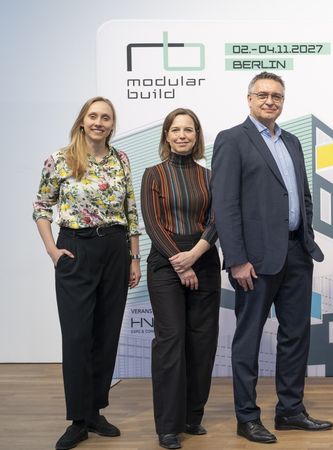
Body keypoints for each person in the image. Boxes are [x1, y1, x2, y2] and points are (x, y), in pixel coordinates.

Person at [211, 71, 332, 444]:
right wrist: (236, 259)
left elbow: (301, 196)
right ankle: (247, 418)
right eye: (262, 95)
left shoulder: (292, 141)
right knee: (248, 339)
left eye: (276, 96)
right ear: (249, 99)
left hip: (297, 253)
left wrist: (306, 232)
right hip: (255, 260)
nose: (270, 101)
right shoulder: (232, 140)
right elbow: (225, 205)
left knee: (296, 336)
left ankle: (290, 411)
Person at [33, 97, 141, 450]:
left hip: (114, 248)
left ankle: (95, 411)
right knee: (77, 336)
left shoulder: (121, 159)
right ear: (82, 121)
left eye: (105, 118)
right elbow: (41, 206)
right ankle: (78, 420)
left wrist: (134, 258)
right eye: (93, 116)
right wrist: (52, 250)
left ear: (112, 125)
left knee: (105, 334)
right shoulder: (60, 159)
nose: (98, 122)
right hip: (75, 248)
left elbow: (130, 210)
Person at [141, 108, 220, 450]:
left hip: (202, 258)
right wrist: (181, 263)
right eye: (176, 130)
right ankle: (169, 426)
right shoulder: (153, 174)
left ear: (197, 136)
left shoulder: (210, 176)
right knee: (171, 340)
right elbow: (153, 223)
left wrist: (196, 256)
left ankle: (192, 416)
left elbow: (217, 220)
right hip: (165, 262)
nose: (183, 135)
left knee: (202, 340)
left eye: (189, 129)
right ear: (167, 136)